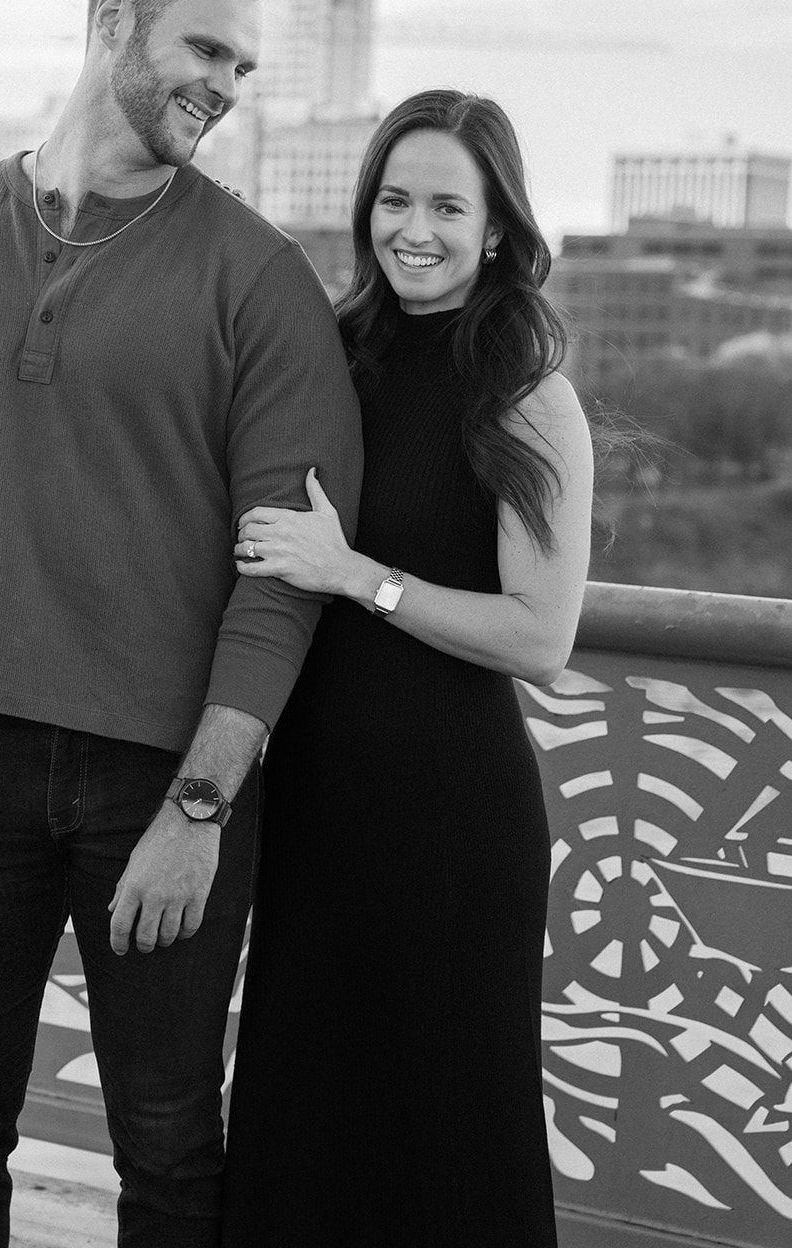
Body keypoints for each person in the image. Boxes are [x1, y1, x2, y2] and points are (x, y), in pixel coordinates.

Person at [0, 0, 362, 1248]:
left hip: (161, 786)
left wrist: (202, 801)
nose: (224, 88)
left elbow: (282, 581)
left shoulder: (259, 282)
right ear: (112, 24)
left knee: (167, 1151)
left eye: (242, 68)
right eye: (204, 49)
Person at [221, 89, 594, 1246]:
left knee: (449, 1139)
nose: (413, 228)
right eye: (393, 198)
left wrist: (355, 574)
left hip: (451, 823)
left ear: (495, 228)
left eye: (446, 204)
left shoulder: (527, 396)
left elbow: (540, 636)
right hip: (315, 811)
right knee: (298, 1122)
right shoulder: (322, 357)